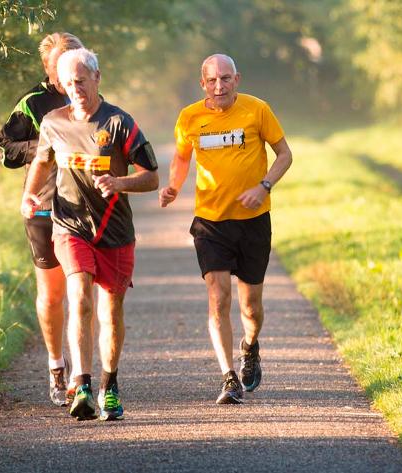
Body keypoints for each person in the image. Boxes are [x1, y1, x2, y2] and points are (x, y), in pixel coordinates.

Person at [21, 48, 159, 421]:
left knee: (110, 312)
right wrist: (29, 195)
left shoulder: (120, 124)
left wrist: (119, 182)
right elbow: (42, 160)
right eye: (69, 83)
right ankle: (81, 384)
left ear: (98, 78)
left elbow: (151, 177)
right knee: (79, 295)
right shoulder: (52, 122)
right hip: (70, 225)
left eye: (82, 80)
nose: (76, 88)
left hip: (114, 231)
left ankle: (109, 385)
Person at [159, 54, 293, 404]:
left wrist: (263, 186)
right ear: (203, 84)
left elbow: (284, 155)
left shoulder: (256, 110)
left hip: (253, 221)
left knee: (251, 308)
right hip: (210, 222)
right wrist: (173, 187)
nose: (220, 86)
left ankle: (250, 346)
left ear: (237, 79)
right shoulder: (189, 117)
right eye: (213, 80)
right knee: (219, 297)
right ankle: (228, 376)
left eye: (226, 78)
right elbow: (182, 158)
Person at [0, 32, 84, 407]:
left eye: (76, 62)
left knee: (81, 292)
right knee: (52, 295)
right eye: (62, 64)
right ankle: (55, 365)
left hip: (83, 207)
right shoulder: (33, 103)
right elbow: (4, 149)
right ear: (49, 67)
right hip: (45, 206)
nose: (70, 72)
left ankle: (83, 375)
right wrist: (46, 147)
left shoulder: (88, 97)